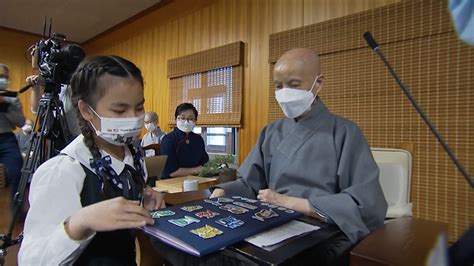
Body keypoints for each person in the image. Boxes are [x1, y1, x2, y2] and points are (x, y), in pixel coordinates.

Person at [210, 48, 388, 265]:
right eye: (278, 86)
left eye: (294, 85)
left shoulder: (345, 132)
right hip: (270, 220)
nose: (284, 92)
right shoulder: (271, 131)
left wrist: (292, 202)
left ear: (318, 83)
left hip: (322, 227)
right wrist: (222, 191)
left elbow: (367, 204)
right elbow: (250, 184)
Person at [18, 55, 165, 265]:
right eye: (120, 110)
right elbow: (32, 260)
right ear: (87, 110)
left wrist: (144, 197)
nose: (134, 118)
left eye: (139, 107)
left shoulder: (133, 156)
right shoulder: (63, 171)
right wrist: (80, 222)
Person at [26, 43, 86, 140]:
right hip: (57, 139)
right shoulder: (56, 83)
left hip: (78, 140)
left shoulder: (84, 87)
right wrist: (36, 87)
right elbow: (37, 110)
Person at [160, 103, 209, 179]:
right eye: (182, 118)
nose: (186, 121)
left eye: (190, 118)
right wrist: (195, 170)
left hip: (196, 180)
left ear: (195, 121)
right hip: (172, 183)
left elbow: (204, 163)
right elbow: (171, 172)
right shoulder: (168, 140)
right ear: (176, 119)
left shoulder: (198, 139)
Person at [0, 63, 25, 210]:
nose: (2, 79)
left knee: (17, 171)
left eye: (4, 76)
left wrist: (5, 106)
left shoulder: (12, 98)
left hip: (7, 139)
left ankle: (17, 210)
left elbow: (21, 122)